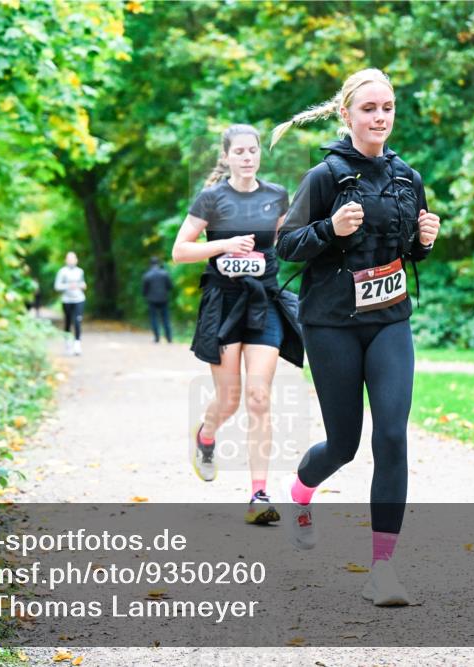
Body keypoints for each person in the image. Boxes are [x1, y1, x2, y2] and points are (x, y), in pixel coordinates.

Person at [271, 68, 442, 605]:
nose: (380, 118)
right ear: (347, 115)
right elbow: (287, 246)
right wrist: (329, 229)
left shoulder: (406, 177)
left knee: (391, 436)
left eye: (387, 107)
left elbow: (404, 249)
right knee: (343, 445)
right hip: (331, 326)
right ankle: (302, 491)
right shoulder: (324, 176)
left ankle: (382, 570)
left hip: (390, 320)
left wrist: (424, 241)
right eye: (369, 109)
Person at [171, 124, 304, 525]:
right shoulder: (211, 198)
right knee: (228, 399)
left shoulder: (276, 195)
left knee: (259, 397)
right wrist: (224, 245)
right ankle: (206, 435)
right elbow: (180, 251)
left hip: (263, 302)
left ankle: (258, 494)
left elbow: (289, 240)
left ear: (260, 155)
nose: (247, 157)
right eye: (239, 152)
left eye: (253, 151)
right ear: (226, 157)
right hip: (224, 305)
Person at [54, 251, 87, 355]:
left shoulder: (80, 271)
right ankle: (68, 345)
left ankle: (77, 345)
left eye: (73, 258)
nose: (71, 260)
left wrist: (82, 285)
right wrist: (69, 286)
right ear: (66, 260)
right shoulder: (62, 272)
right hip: (67, 300)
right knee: (68, 322)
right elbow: (57, 286)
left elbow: (82, 283)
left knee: (77, 321)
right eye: (69, 259)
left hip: (79, 299)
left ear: (76, 260)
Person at [141, 257, 174, 343]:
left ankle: (157, 338)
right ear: (158, 263)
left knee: (154, 319)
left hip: (152, 300)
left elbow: (144, 291)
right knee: (166, 318)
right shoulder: (165, 274)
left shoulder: (147, 275)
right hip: (163, 299)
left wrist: (147, 296)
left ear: (150, 264)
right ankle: (169, 338)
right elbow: (170, 286)